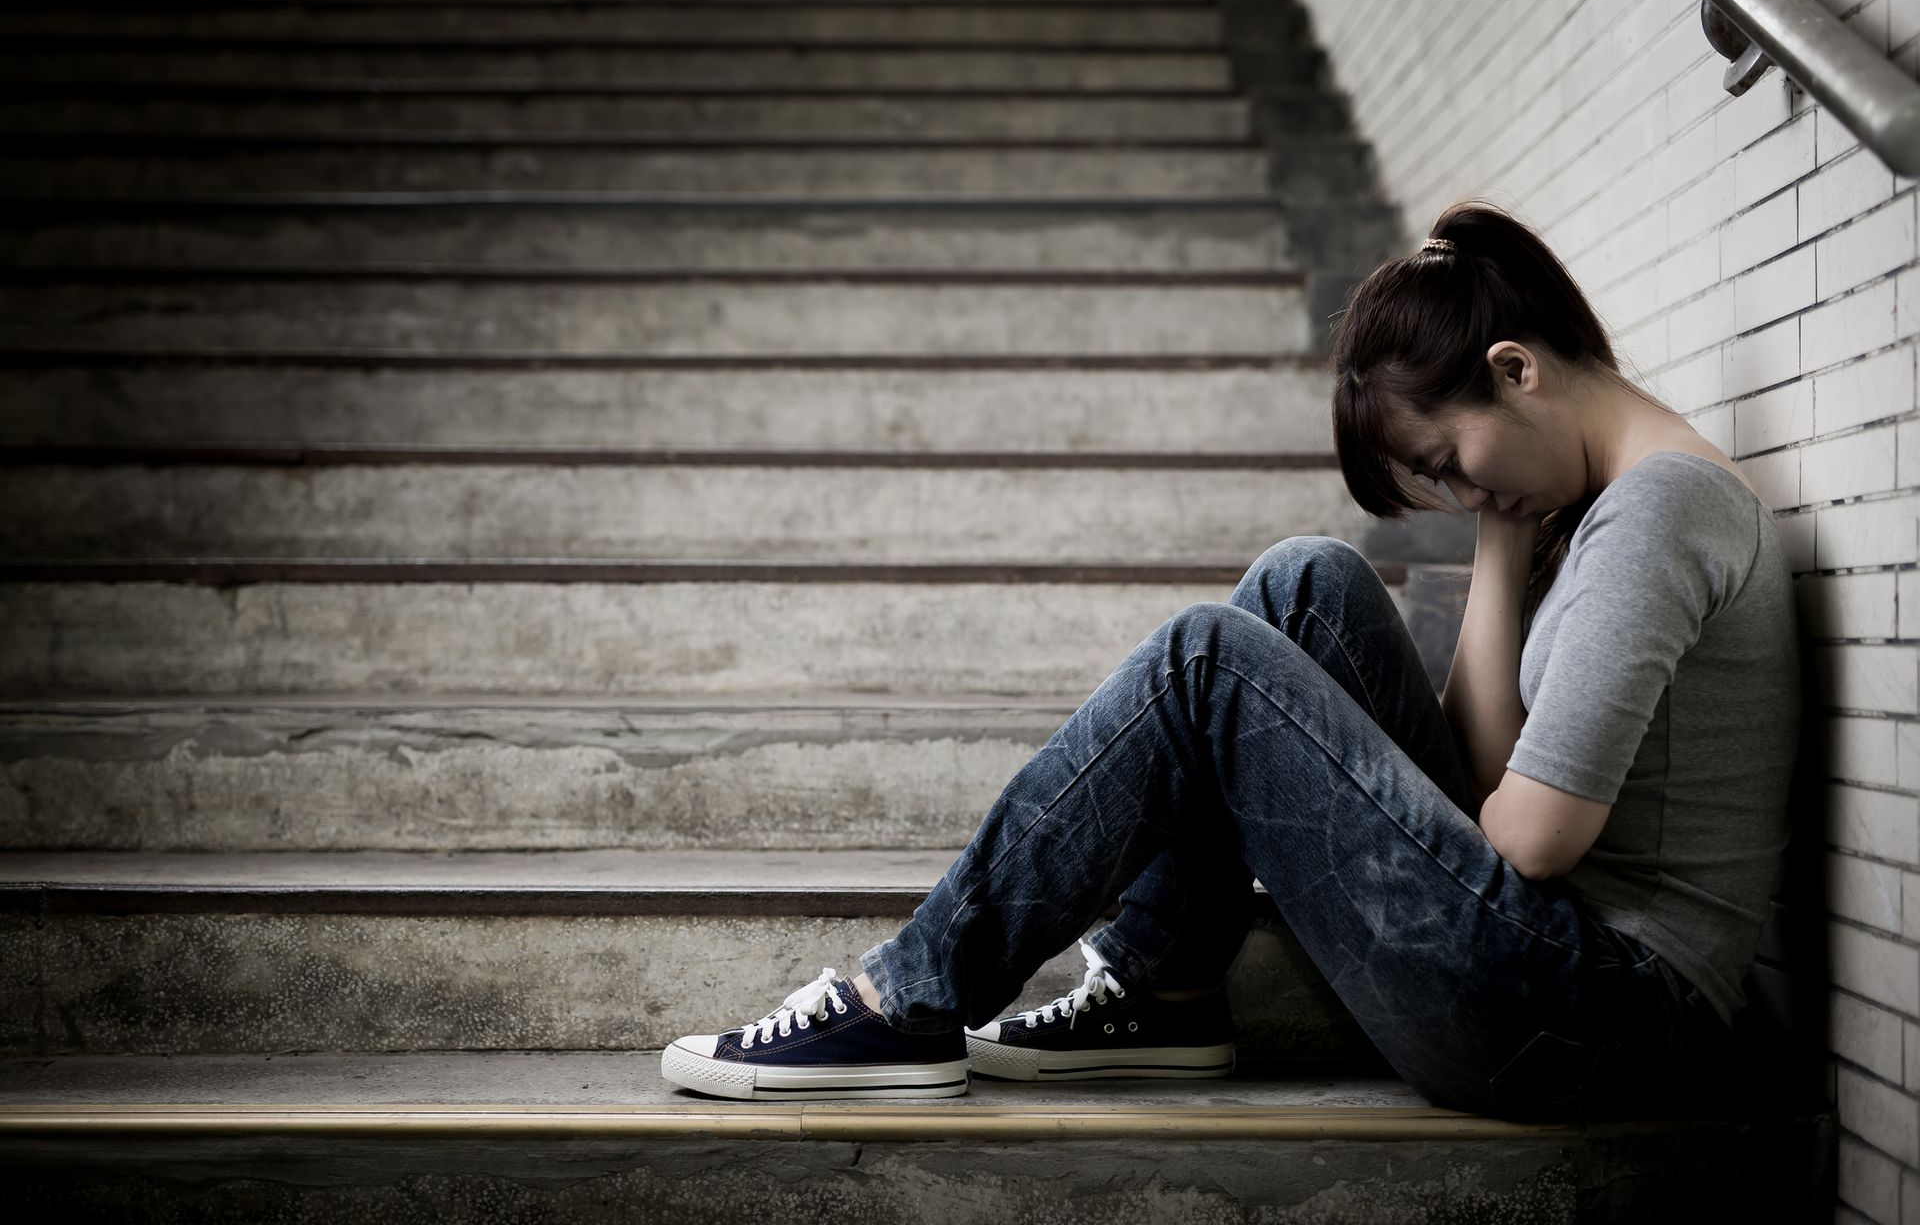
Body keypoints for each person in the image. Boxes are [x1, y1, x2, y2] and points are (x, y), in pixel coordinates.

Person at [659, 198, 1803, 1120]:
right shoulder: (1606, 508)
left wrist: (1504, 521)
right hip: (1555, 974)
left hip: (1601, 1014)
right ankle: (1163, 982)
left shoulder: (1658, 515)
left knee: (1205, 658)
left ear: (1516, 369)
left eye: (1449, 460)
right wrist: (1503, 535)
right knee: (1307, 581)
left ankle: (904, 998)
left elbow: (1532, 837)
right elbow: (1488, 772)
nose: (1459, 492)